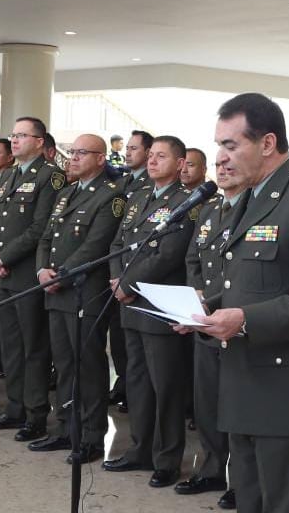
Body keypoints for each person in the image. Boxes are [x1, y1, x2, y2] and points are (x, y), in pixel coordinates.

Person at [182, 92, 289, 513]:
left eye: (231, 144)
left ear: (268, 143)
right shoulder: (252, 198)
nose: (222, 156)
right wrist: (206, 311)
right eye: (219, 144)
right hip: (246, 392)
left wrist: (243, 320)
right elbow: (251, 284)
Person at [104, 135, 196, 488]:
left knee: (166, 386)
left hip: (159, 305)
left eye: (161, 156)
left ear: (180, 163)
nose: (153, 161)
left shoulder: (185, 202)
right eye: (151, 155)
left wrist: (127, 283)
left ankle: (167, 459)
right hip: (130, 304)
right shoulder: (139, 196)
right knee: (137, 382)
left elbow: (168, 254)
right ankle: (139, 449)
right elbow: (117, 242)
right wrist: (117, 279)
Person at [33, 133, 125, 464]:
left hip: (84, 292)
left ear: (101, 158)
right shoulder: (67, 193)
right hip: (56, 291)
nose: (73, 157)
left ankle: (91, 436)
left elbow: (96, 246)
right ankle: (66, 428)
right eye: (72, 152)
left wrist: (61, 274)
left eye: (81, 153)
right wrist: (42, 271)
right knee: (64, 364)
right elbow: (47, 237)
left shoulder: (111, 196)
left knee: (88, 366)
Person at [0, 117, 65, 442]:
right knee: (11, 346)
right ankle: (14, 408)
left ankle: (35, 414)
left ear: (40, 141)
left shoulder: (50, 176)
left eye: (22, 135)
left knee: (34, 347)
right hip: (3, 273)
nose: (14, 140)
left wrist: (3, 258)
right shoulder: (8, 175)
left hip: (28, 273)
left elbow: (40, 227)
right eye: (13, 135)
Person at [176, 160, 243, 508]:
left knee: (237, 407)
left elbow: (240, 270)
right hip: (205, 321)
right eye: (220, 165)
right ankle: (213, 468)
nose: (224, 169)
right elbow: (193, 259)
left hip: (234, 319)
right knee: (207, 403)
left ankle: (242, 482)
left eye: (231, 163)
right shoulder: (210, 209)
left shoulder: (254, 208)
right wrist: (196, 293)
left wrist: (208, 300)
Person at [108, 129, 153, 409]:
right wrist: (116, 275)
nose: (128, 153)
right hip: (117, 272)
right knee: (118, 335)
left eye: (134, 148)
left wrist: (126, 280)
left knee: (134, 343)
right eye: (127, 148)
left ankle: (130, 388)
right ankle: (122, 383)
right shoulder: (123, 182)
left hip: (136, 279)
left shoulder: (152, 185)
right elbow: (117, 236)